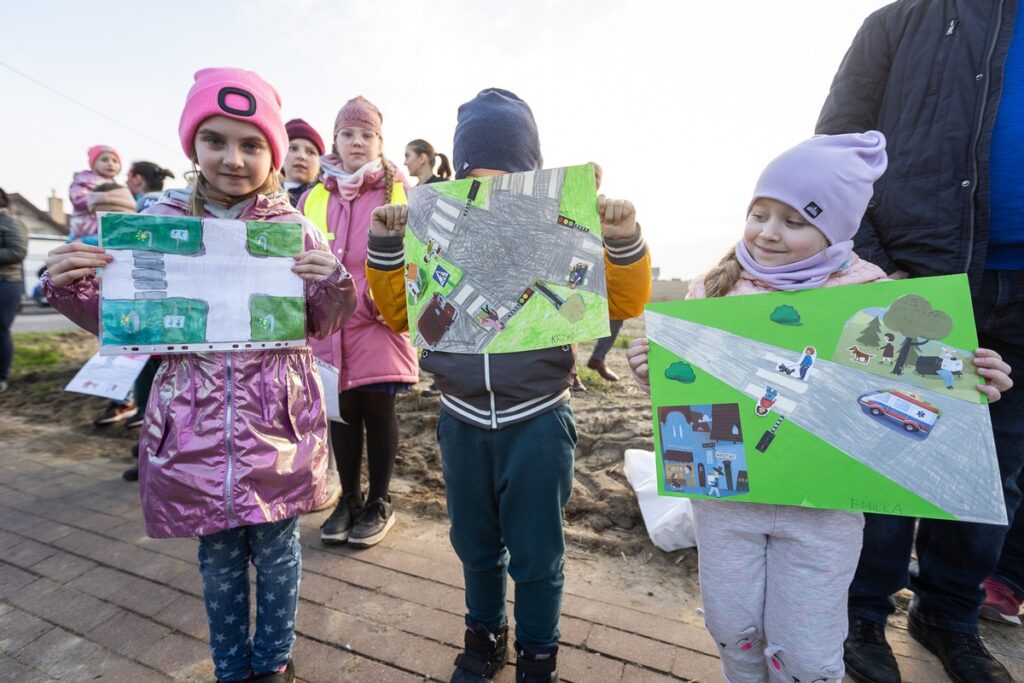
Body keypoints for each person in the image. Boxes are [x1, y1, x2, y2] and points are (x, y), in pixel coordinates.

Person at [625, 132, 1014, 683]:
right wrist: (654, 376)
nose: (768, 233)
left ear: (836, 231)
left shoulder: (868, 295)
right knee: (733, 630)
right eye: (759, 214)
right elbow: (695, 399)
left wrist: (976, 383)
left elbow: (922, 388)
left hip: (822, 519)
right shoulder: (711, 291)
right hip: (727, 509)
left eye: (795, 220)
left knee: (806, 654)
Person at [41, 67, 357, 683]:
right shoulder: (154, 224)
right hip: (193, 425)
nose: (233, 158)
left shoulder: (292, 228)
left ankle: (273, 663)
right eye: (215, 140)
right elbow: (121, 319)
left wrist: (334, 282)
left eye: (251, 143)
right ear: (193, 146)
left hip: (278, 422)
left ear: (272, 151)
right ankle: (230, 667)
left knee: (278, 551)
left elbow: (322, 322)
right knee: (215, 555)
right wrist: (70, 284)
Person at [366, 88, 652, 683]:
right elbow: (399, 315)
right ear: (458, 175)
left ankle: (539, 654)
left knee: (538, 553)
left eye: (506, 180)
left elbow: (623, 301)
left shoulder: (557, 229)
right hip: (461, 417)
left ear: (532, 177)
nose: (489, 195)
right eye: (476, 180)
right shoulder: (436, 225)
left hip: (540, 418)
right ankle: (484, 635)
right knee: (473, 542)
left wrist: (622, 239)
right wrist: (389, 245)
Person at [817, 3, 1024, 681]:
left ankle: (949, 613)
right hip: (914, 277)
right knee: (886, 451)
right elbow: (835, 150)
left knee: (992, 470)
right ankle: (861, 612)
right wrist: (875, 268)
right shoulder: (898, 24)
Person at [297, 96, 418, 549]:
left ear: (380, 142)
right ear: (336, 139)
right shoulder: (314, 196)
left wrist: (368, 302)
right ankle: (349, 498)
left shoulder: (400, 191)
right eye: (348, 134)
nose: (357, 142)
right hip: (330, 328)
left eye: (367, 135)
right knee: (341, 415)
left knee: (379, 409)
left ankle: (380, 501)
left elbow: (416, 261)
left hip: (381, 321)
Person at [0, 188, 28, 394]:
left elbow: (17, 251)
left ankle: (2, 377)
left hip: (6, 282)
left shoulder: (11, 222)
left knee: (0, 330)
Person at [68, 144, 122, 243]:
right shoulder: (84, 179)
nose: (110, 164)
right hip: (85, 228)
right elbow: (77, 198)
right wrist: (103, 199)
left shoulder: (117, 185)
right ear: (93, 164)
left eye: (115, 161)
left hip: (105, 229)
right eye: (104, 160)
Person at [283, 119, 324, 207]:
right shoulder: (263, 197)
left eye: (310, 152)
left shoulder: (328, 199)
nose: (301, 156)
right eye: (293, 148)